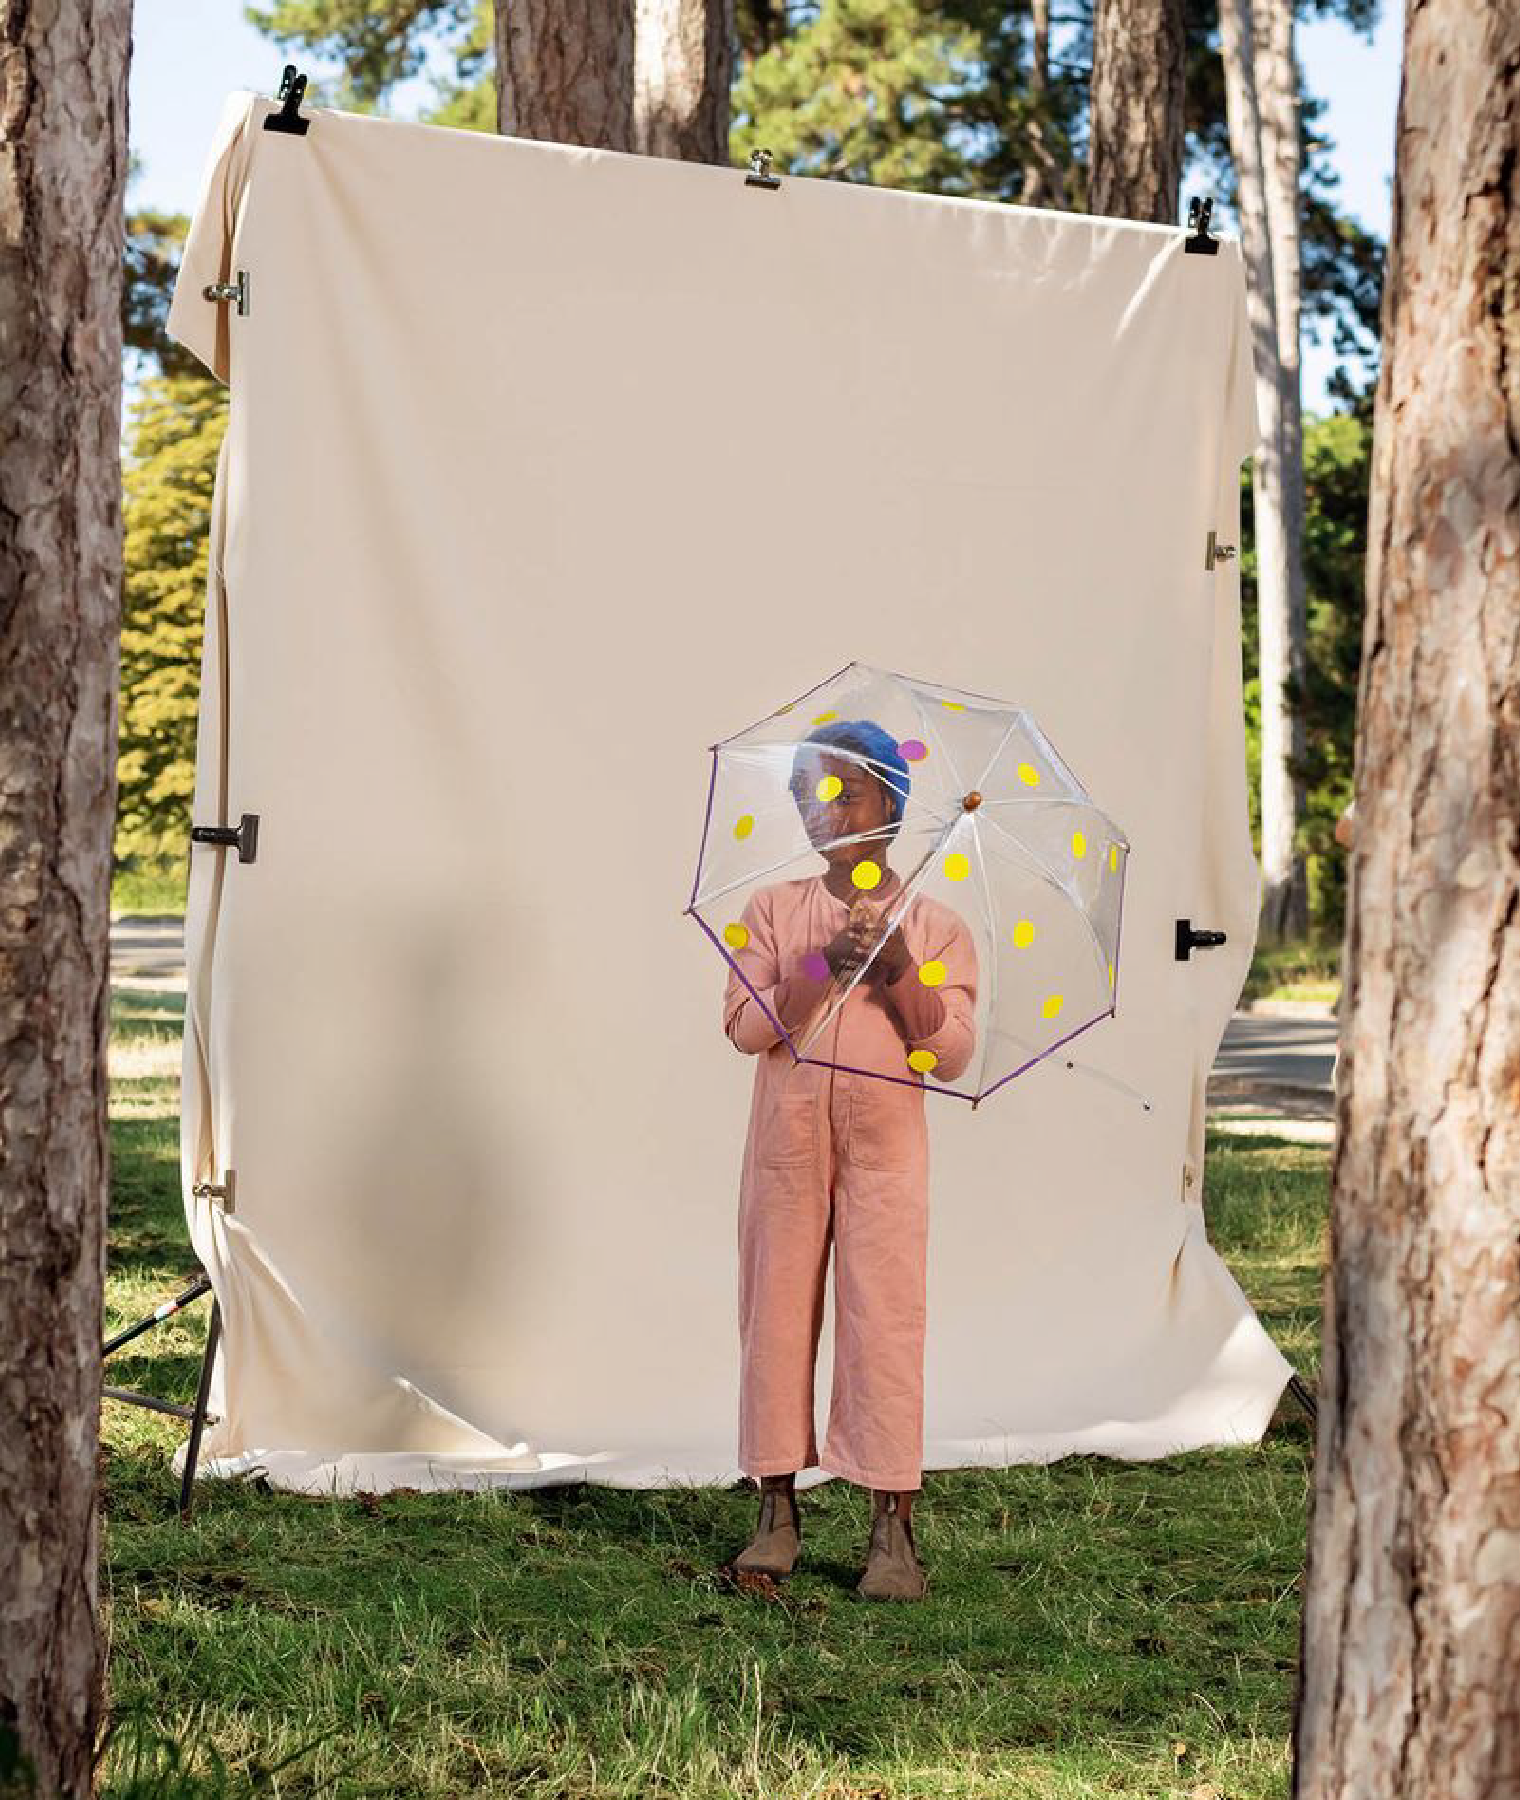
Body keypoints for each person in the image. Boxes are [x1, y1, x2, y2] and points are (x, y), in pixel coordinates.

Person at [718, 717, 979, 1600]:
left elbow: (951, 1053)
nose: (822, 807)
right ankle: (774, 1508)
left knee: (885, 1321)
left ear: (892, 802)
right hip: (786, 1154)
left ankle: (891, 1528)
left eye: (844, 790)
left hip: (885, 1155)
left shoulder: (935, 927)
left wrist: (902, 971)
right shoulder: (773, 913)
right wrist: (816, 969)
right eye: (806, 792)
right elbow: (745, 1027)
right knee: (775, 1317)